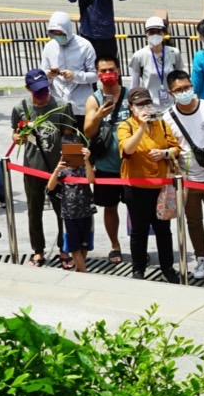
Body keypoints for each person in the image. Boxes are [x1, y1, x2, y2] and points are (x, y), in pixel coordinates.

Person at [163, 69, 204, 280]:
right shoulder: (167, 118)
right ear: (171, 93)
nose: (184, 92)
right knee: (193, 221)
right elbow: (170, 147)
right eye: (179, 90)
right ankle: (201, 258)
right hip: (187, 180)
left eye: (187, 87)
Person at [12, 68, 75, 269]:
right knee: (34, 211)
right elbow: (15, 133)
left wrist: (69, 167)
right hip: (32, 169)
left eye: (45, 90)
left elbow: (70, 136)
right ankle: (38, 250)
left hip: (58, 170)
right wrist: (18, 137)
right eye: (37, 91)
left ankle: (64, 249)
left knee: (63, 212)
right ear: (28, 89)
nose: (43, 95)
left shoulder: (62, 106)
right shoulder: (21, 107)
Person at [116, 88, 181, 283]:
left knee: (163, 229)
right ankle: (138, 269)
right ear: (131, 107)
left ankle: (167, 267)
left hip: (161, 187)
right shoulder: (125, 126)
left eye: (147, 104)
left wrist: (165, 153)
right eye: (139, 105)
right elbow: (127, 149)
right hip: (136, 188)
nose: (144, 108)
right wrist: (142, 128)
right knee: (139, 230)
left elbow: (176, 148)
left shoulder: (161, 123)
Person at [83, 55, 129, 265]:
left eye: (111, 69)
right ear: (97, 74)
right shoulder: (94, 100)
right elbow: (88, 132)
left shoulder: (130, 95)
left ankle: (139, 245)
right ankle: (114, 246)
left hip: (131, 165)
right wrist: (98, 116)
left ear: (118, 71)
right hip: (105, 166)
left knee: (137, 208)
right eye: (103, 71)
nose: (107, 74)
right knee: (110, 208)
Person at [40, 11, 97, 131]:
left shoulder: (85, 46)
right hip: (58, 104)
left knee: (83, 142)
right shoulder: (49, 47)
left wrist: (75, 76)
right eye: (54, 34)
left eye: (60, 33)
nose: (58, 36)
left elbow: (95, 75)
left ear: (67, 30)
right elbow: (42, 74)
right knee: (60, 144)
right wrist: (49, 75)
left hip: (81, 105)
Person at [46, 144, 96, 273]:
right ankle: (84, 272)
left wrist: (86, 160)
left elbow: (91, 179)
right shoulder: (62, 171)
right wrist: (57, 169)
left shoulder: (84, 168)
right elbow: (50, 187)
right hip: (69, 214)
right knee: (74, 246)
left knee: (85, 245)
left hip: (86, 212)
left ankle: (78, 270)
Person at [129, 17, 185, 109]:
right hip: (149, 106)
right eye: (151, 32)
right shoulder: (139, 56)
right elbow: (134, 84)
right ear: (146, 34)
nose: (155, 35)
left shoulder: (174, 53)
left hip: (173, 105)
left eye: (158, 32)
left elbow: (181, 79)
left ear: (164, 33)